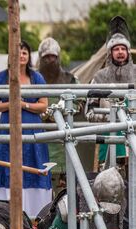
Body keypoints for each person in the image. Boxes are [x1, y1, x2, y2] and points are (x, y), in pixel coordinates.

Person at [0, 40, 52, 217]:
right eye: (18, 52)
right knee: (6, 161)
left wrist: (23, 104)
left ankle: (36, 212)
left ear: (29, 56)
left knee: (33, 162)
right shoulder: (2, 76)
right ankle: (3, 210)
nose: (21, 55)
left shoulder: (36, 77)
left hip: (32, 130)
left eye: (24, 52)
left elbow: (44, 105)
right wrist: (12, 104)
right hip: (8, 128)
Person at [37, 38, 94, 193]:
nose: (50, 60)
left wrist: (65, 110)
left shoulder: (70, 79)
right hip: (40, 134)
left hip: (63, 137)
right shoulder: (34, 79)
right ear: (41, 59)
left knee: (64, 187)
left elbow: (81, 101)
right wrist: (42, 113)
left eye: (53, 57)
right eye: (46, 57)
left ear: (58, 57)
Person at [85, 16, 136, 168]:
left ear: (128, 51)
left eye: (123, 49)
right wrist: (110, 114)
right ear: (110, 52)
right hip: (108, 139)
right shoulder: (100, 77)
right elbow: (89, 112)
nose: (120, 52)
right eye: (116, 49)